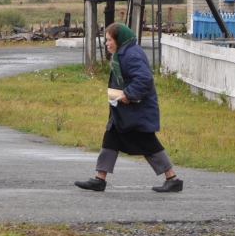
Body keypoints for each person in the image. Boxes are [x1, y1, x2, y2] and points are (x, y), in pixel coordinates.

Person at [74, 22, 183, 193]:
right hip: (123, 110)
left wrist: (129, 94)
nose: (106, 44)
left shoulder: (132, 55)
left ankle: (173, 179)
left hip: (137, 111)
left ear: (119, 40)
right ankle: (99, 179)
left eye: (109, 40)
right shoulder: (122, 54)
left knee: (147, 142)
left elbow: (144, 79)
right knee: (111, 138)